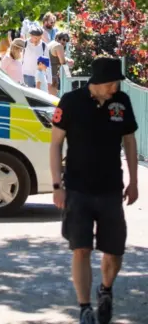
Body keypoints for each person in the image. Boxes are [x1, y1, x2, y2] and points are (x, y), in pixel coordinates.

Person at [50, 57, 139, 324]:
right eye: (113, 82)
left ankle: (106, 290)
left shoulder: (121, 102)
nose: (116, 87)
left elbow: (130, 142)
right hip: (78, 188)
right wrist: (57, 185)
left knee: (114, 251)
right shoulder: (71, 102)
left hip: (111, 188)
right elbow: (55, 144)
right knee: (81, 249)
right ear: (99, 82)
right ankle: (85, 306)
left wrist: (134, 181)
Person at [48, 31, 74, 96]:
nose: (65, 42)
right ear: (58, 38)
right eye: (63, 39)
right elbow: (62, 62)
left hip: (47, 74)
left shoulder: (51, 43)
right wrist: (68, 73)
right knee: (51, 99)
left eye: (66, 40)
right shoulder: (59, 46)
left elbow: (58, 55)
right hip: (52, 76)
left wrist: (67, 60)